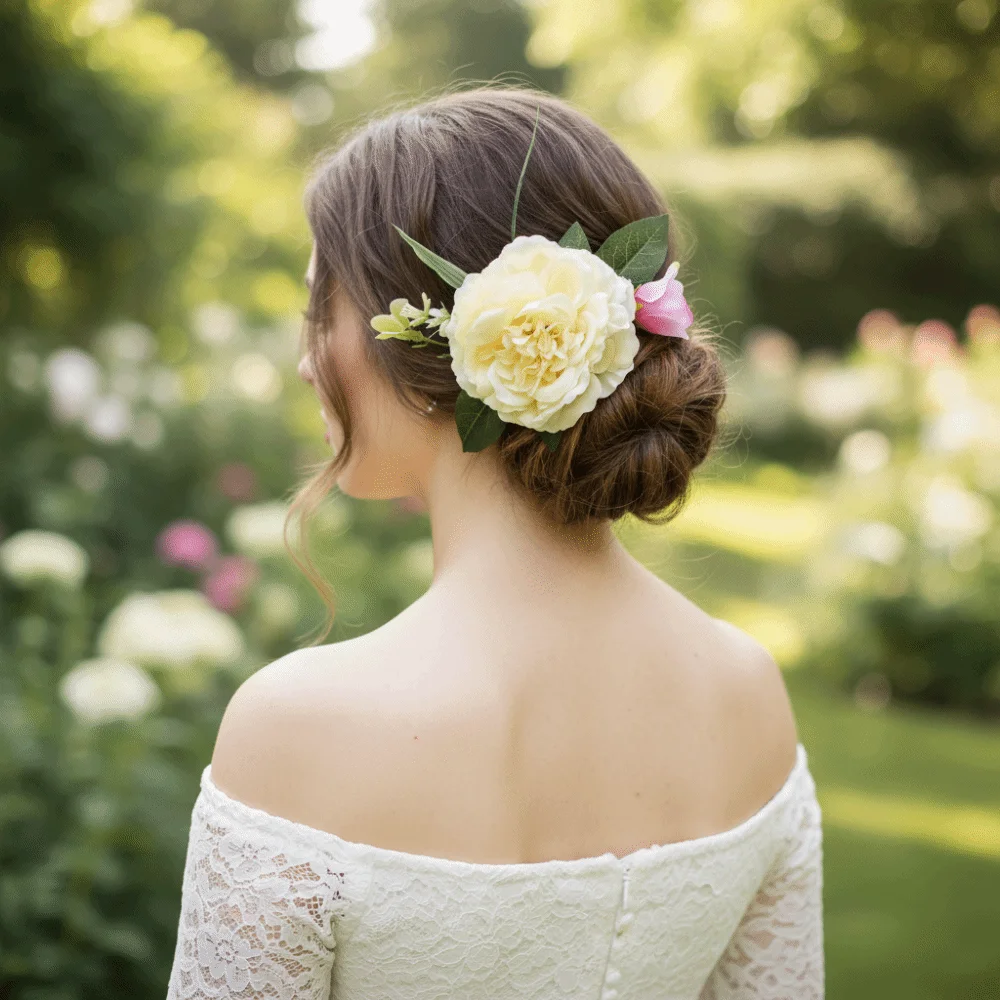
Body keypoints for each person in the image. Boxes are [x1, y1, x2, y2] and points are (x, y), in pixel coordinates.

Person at [165, 85, 824, 999]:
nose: (309, 354)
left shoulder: (296, 729)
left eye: (324, 303)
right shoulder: (751, 693)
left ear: (437, 345)